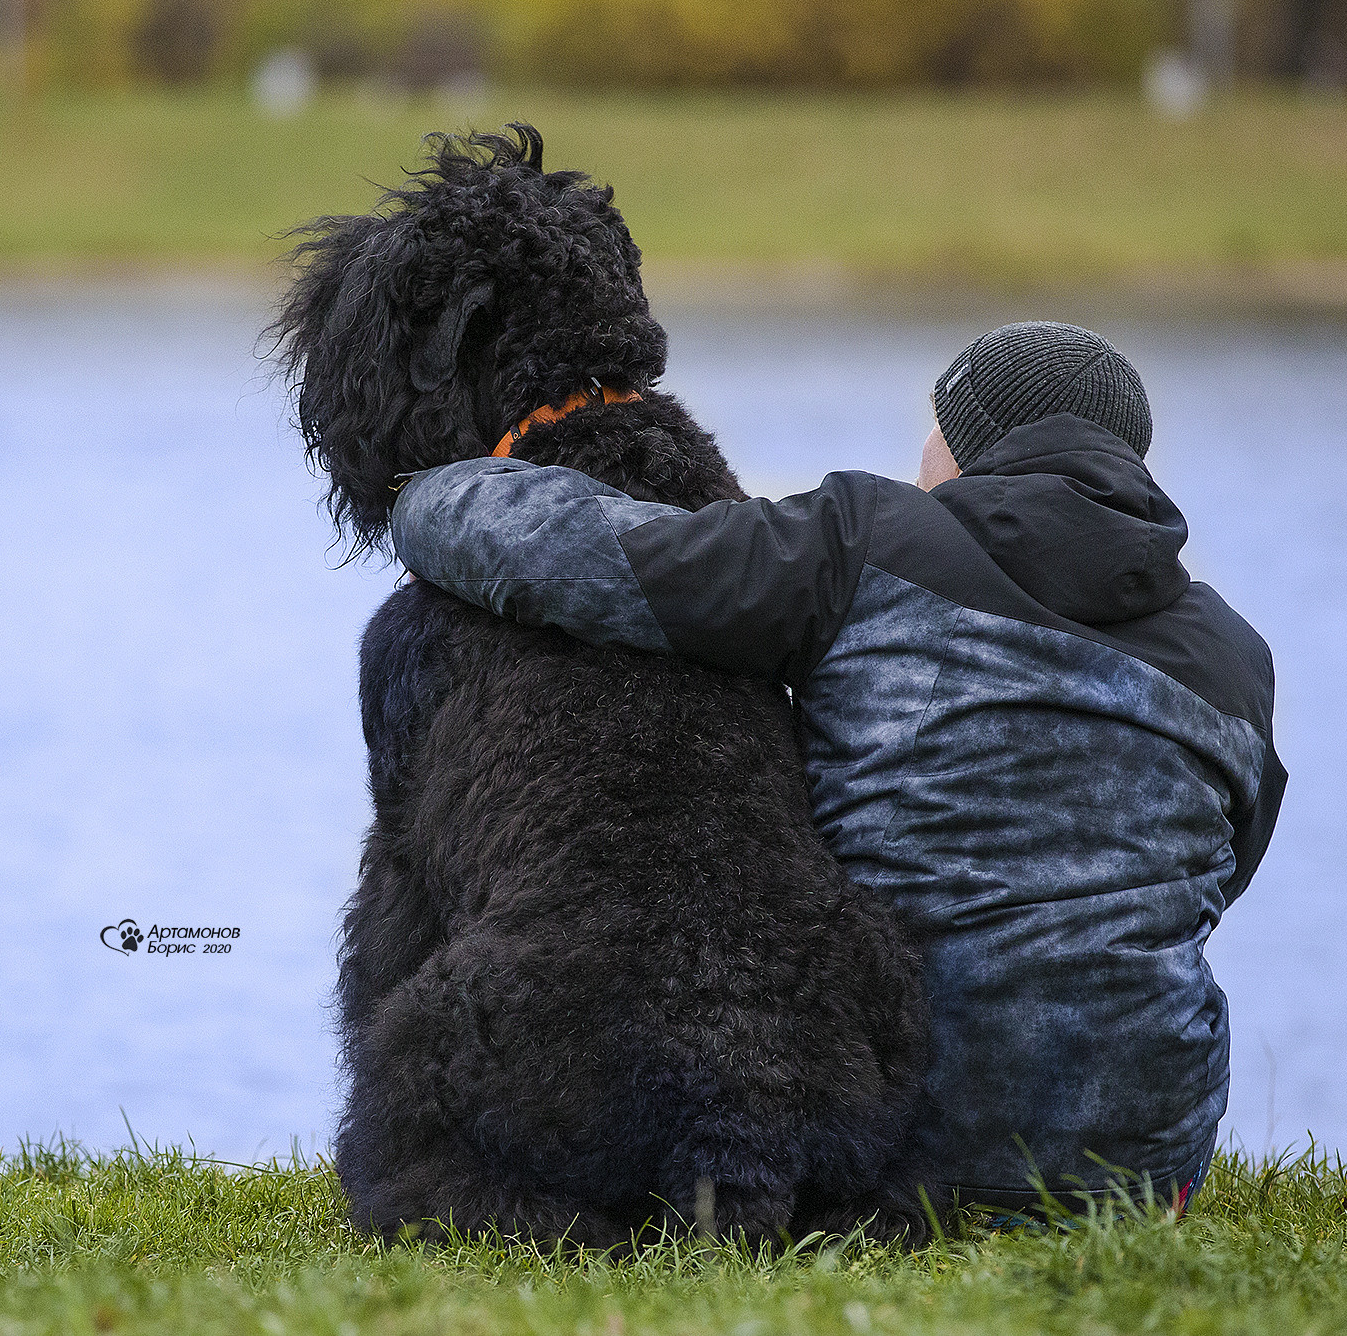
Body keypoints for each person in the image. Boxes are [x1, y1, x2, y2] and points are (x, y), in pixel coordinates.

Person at [388, 320, 1286, 1218]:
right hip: (1141, 1171)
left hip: (895, 1148)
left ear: (969, 443)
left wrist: (428, 490)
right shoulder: (1236, 659)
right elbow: (1220, 877)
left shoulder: (868, 541)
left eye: (934, 425)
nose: (921, 448)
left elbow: (597, 557)